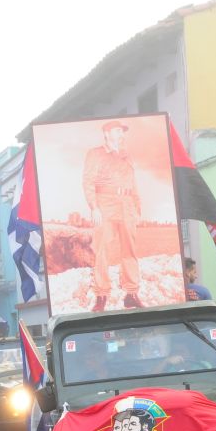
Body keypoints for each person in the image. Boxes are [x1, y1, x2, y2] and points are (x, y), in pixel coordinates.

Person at [83, 120, 143, 311]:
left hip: (126, 205)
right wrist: (94, 207)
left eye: (122, 132)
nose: (121, 135)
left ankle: (131, 293)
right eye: (118, 131)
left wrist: (137, 208)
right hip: (105, 202)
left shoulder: (126, 156)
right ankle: (101, 295)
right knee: (101, 249)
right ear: (107, 133)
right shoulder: (95, 154)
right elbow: (88, 181)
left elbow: (133, 182)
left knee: (130, 250)